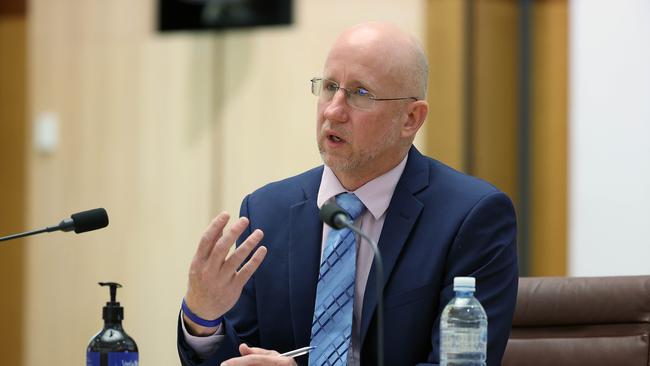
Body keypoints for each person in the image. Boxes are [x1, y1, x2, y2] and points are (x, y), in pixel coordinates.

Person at [177, 22, 518, 366]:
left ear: (411, 119)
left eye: (360, 93)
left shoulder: (472, 217)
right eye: (329, 87)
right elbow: (237, 355)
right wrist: (203, 320)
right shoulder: (268, 212)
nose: (332, 110)